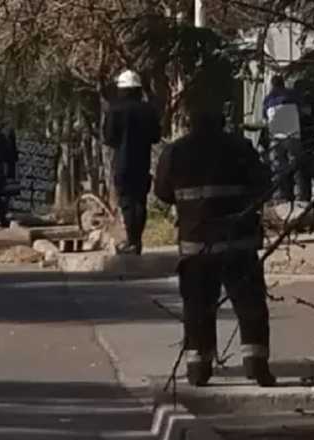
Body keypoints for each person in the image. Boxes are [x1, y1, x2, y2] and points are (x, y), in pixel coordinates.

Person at [154, 98, 277, 388]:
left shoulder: (175, 152)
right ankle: (256, 365)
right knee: (250, 306)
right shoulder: (240, 148)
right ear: (223, 121)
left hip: (197, 245)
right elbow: (263, 186)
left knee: (198, 308)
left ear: (190, 123)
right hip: (239, 243)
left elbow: (162, 192)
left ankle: (199, 369)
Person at [104, 70, 162, 255]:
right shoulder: (148, 109)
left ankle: (131, 240)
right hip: (142, 162)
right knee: (140, 201)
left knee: (127, 202)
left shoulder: (114, 110)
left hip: (122, 163)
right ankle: (136, 240)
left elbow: (109, 138)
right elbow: (156, 136)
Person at [262, 75, 302, 201]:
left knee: (278, 167)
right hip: (293, 135)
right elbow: (302, 111)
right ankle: (299, 195)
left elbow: (265, 118)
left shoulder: (268, 99)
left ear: (272, 85)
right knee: (296, 166)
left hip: (276, 137)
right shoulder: (293, 96)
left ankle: (280, 195)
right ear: (283, 83)